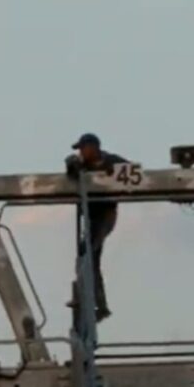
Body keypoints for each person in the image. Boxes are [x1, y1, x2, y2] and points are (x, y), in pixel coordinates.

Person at [65, 133, 128, 322]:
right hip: (91, 218)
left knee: (89, 254)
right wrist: (71, 165)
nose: (81, 153)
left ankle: (92, 301)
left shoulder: (112, 160)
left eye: (83, 148)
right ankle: (94, 302)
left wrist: (110, 176)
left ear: (93, 147)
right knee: (89, 257)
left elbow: (134, 174)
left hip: (105, 215)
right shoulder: (82, 165)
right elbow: (70, 171)